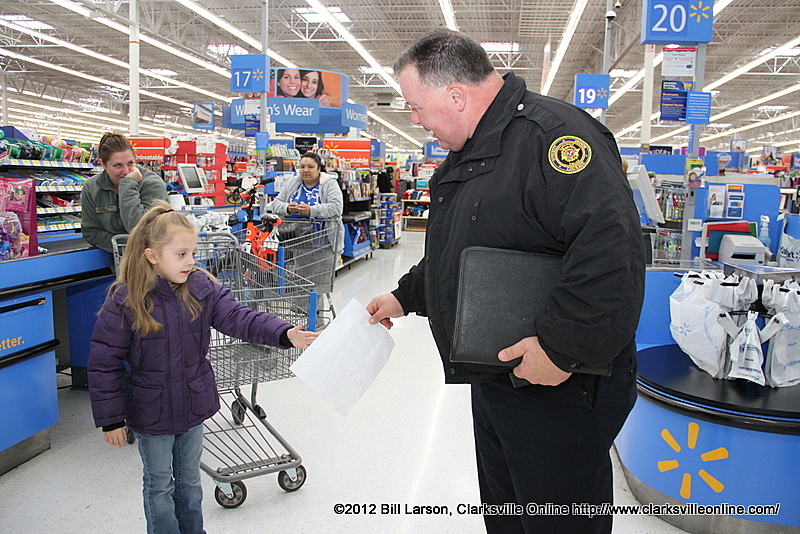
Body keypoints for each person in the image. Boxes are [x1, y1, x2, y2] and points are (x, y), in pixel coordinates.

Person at [366, 29, 645, 534]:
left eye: (416, 107)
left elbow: (612, 252)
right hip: (499, 374)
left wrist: (560, 349)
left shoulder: (555, 138)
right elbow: (463, 251)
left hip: (560, 383)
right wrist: (404, 297)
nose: (415, 120)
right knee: (507, 511)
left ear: (456, 95)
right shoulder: (472, 154)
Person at [87, 201, 318, 534]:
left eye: (192, 253)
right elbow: (104, 361)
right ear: (152, 256)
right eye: (181, 254)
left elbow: (240, 318)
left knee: (190, 482)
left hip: (192, 403)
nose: (191, 261)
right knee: (159, 485)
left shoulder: (200, 287)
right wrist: (110, 419)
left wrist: (284, 333)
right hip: (151, 411)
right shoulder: (126, 299)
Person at [81, 133, 168, 253]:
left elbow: (141, 229)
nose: (126, 171)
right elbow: (91, 232)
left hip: (151, 258)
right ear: (103, 164)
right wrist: (124, 247)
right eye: (117, 165)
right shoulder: (92, 187)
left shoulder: (152, 184)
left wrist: (128, 185)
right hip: (111, 257)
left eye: (130, 163)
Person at [267, 152, 344, 255]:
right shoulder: (292, 183)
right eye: (302, 167)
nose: (305, 170)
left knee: (321, 265)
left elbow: (336, 207)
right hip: (296, 242)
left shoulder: (329, 183)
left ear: (319, 169)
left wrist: (311, 210)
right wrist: (287, 208)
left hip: (324, 244)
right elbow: (275, 204)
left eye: (310, 167)